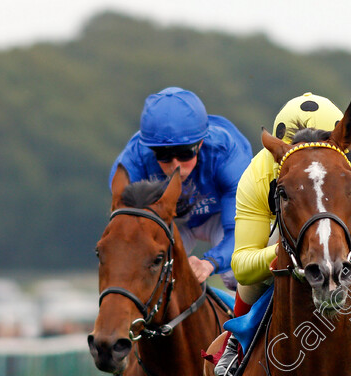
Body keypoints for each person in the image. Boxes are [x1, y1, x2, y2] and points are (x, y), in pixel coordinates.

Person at [213, 92, 351, 376]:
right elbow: (242, 264)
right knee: (249, 280)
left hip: (348, 242)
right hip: (290, 239)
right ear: (278, 154)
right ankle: (234, 343)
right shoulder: (259, 173)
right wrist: (282, 254)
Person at [108, 86, 252, 289]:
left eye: (185, 153)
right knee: (151, 274)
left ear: (201, 143)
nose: (176, 166)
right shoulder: (132, 163)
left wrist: (209, 262)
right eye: (164, 155)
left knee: (238, 274)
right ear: (150, 150)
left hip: (220, 218)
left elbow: (240, 232)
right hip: (172, 223)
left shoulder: (227, 154)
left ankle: (252, 320)